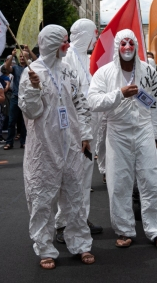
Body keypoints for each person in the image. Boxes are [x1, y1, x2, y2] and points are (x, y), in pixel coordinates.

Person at [18, 25, 94, 269]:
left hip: (70, 146)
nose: (67, 45)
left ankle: (81, 244)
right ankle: (44, 248)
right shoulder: (32, 73)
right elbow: (31, 112)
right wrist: (33, 89)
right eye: (63, 41)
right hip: (43, 148)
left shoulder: (68, 71)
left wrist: (84, 134)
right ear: (51, 44)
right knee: (41, 200)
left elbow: (80, 103)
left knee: (75, 198)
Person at [88, 29, 157, 250]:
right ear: (117, 47)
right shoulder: (104, 73)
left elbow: (156, 103)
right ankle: (124, 230)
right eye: (123, 43)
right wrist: (119, 94)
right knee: (119, 183)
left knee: (152, 180)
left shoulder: (149, 72)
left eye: (130, 43)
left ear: (136, 46)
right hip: (118, 133)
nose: (127, 47)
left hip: (143, 130)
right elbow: (93, 101)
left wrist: (153, 133)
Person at [56, 18, 103, 242]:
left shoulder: (85, 58)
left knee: (83, 177)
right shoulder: (69, 59)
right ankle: (64, 222)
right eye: (94, 33)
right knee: (72, 176)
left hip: (88, 129)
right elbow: (73, 97)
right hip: (76, 130)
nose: (96, 37)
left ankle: (79, 218)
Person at [3, 46, 36, 150]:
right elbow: (6, 68)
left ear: (28, 57)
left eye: (24, 56)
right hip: (15, 97)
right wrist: (12, 55)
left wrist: (29, 50)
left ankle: (24, 141)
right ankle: (9, 142)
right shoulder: (16, 68)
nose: (21, 58)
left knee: (24, 122)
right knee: (11, 121)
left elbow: (37, 60)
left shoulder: (31, 68)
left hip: (26, 98)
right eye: (20, 56)